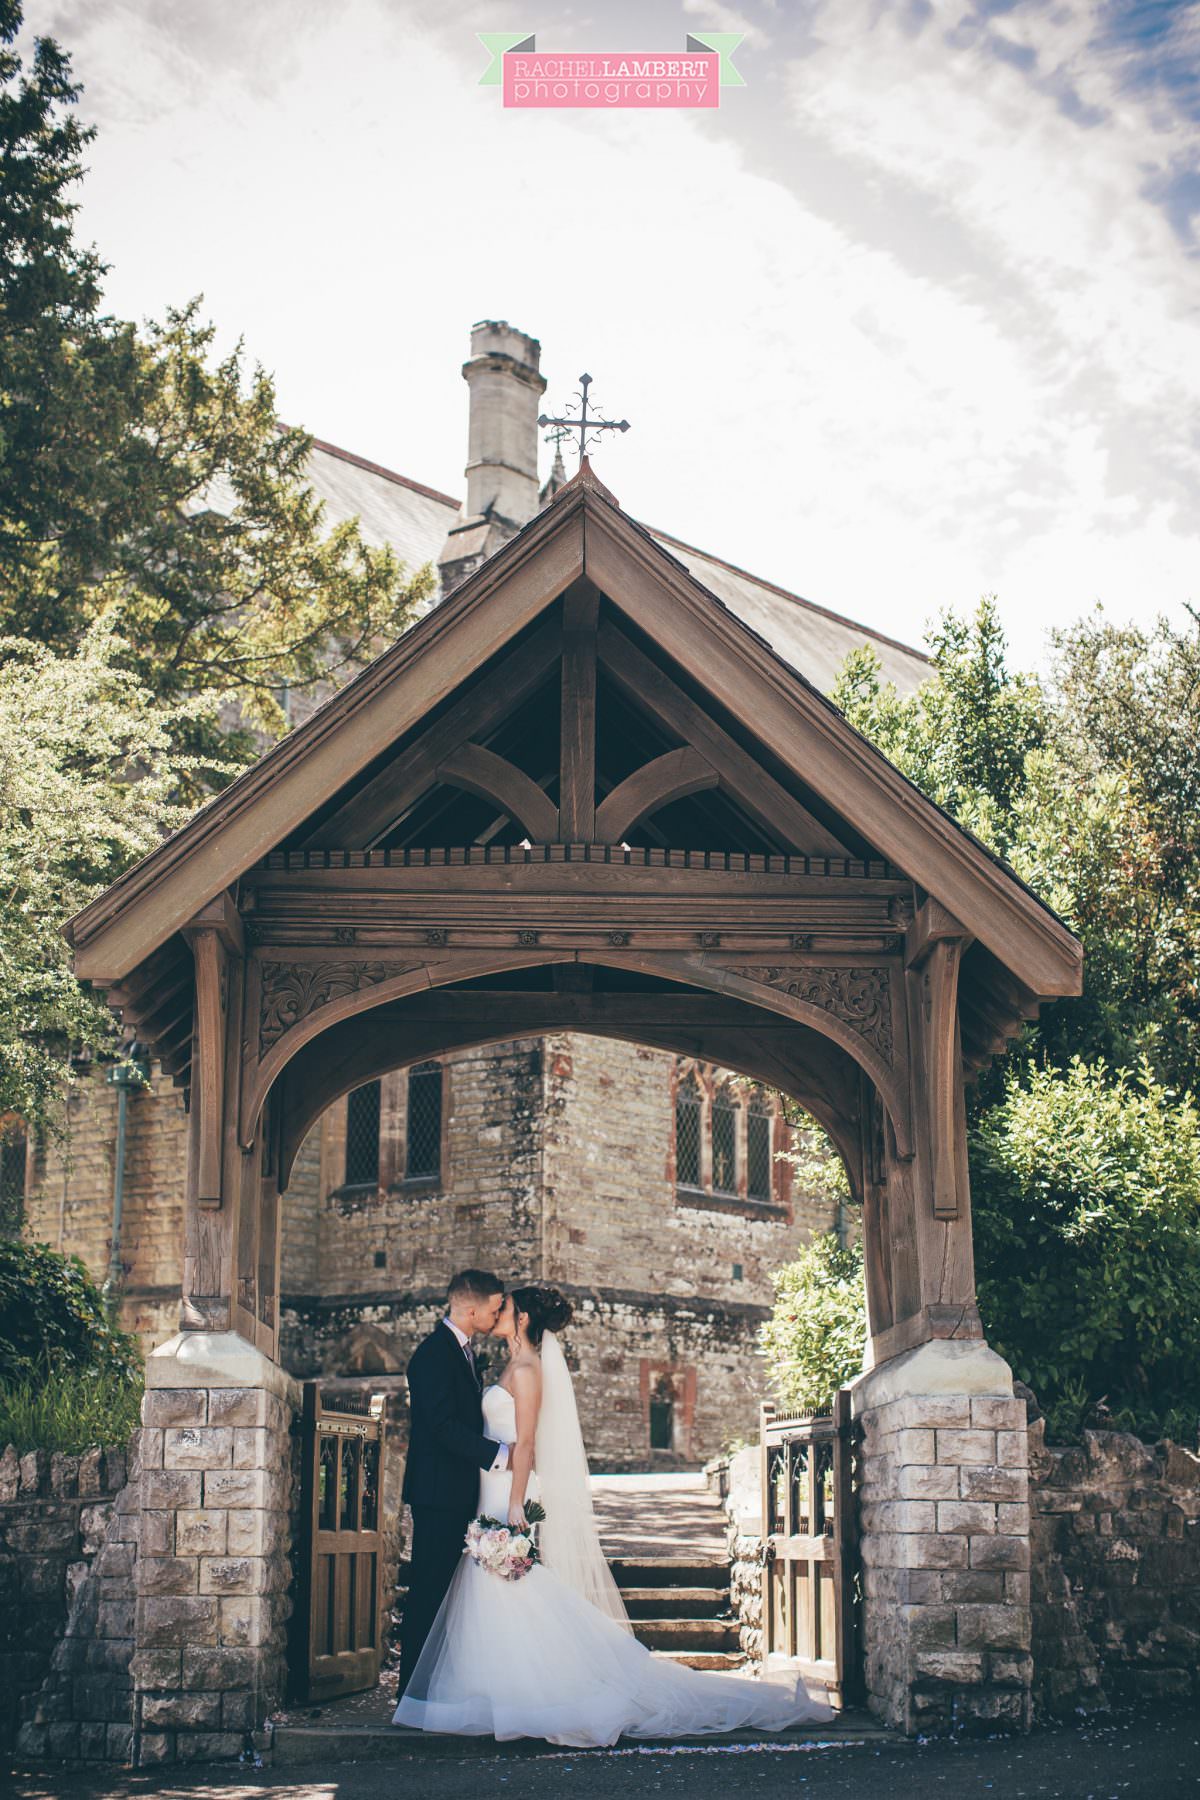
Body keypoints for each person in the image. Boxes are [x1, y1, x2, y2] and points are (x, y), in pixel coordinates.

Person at [394, 1283, 834, 1747]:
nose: (498, 1311)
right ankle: (485, 1688)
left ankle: (517, 1692)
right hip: (486, 1490)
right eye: (496, 1304)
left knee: (507, 1590)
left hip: (504, 1493)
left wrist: (514, 1505)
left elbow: (526, 1445)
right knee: (493, 1591)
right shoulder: (509, 1362)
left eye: (505, 1307)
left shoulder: (527, 1369)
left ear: (522, 1319)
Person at [396, 1269, 509, 1694]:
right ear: (470, 1308)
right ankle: (412, 1691)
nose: (498, 1314)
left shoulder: (460, 1351)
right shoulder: (431, 1355)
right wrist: (497, 1455)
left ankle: (436, 1684)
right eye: (495, 1307)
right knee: (428, 1591)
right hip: (438, 1494)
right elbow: (441, 1425)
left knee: (449, 1594)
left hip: (458, 1492)